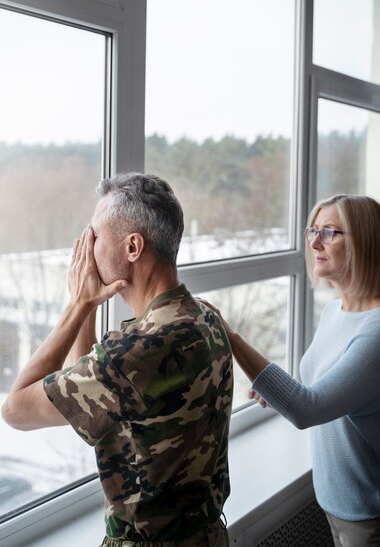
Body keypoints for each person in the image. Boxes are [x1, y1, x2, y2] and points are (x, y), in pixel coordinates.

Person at [1, 172, 233, 547]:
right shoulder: (203, 316)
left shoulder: (139, 351)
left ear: (132, 247)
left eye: (94, 236)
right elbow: (99, 392)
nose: (86, 248)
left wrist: (77, 304)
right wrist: (89, 307)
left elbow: (15, 410)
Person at [205, 194, 380, 547]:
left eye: (330, 232)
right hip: (339, 505)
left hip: (378, 515)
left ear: (365, 241)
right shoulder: (335, 312)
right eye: (312, 231)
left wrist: (230, 336)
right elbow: (329, 389)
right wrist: (276, 393)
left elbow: (309, 408)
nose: (315, 242)